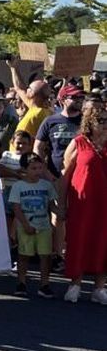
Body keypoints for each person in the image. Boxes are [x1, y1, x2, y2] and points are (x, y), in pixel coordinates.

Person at [57, 104, 107, 304]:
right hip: (82, 204)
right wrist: (61, 205)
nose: (104, 124)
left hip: (104, 206)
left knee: (103, 243)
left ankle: (99, 288)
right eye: (100, 120)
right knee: (79, 241)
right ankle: (75, 284)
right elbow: (65, 176)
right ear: (89, 122)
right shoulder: (78, 142)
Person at [8, 153, 58, 298]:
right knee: (24, 256)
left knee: (45, 256)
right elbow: (16, 208)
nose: (38, 171)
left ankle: (44, 284)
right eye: (33, 168)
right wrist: (25, 225)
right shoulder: (18, 186)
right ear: (24, 169)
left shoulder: (46, 185)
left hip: (44, 226)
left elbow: (51, 205)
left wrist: (61, 213)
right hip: (26, 226)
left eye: (40, 168)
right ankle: (21, 282)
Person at [36, 84, 84, 178]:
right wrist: (45, 172)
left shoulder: (86, 121)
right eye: (74, 97)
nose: (79, 100)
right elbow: (38, 148)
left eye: (81, 97)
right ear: (63, 100)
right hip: (55, 175)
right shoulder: (50, 121)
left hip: (81, 174)